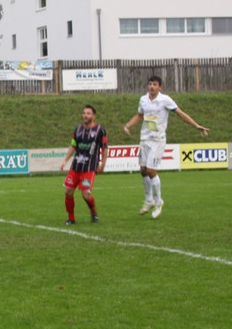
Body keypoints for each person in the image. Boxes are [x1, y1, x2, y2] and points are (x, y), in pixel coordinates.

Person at [123, 75, 208, 218]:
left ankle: (158, 201)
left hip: (158, 140)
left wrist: (196, 125)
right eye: (150, 84)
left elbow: (180, 114)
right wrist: (128, 125)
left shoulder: (165, 100)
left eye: (155, 84)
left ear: (160, 87)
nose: (152, 86)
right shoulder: (143, 100)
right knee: (143, 170)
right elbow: (140, 115)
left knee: (151, 170)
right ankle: (149, 200)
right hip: (144, 139)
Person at [59, 104, 108, 225]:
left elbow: (105, 148)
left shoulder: (100, 130)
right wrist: (65, 160)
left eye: (88, 113)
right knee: (68, 192)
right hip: (76, 167)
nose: (85, 115)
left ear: (94, 116)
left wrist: (103, 164)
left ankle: (93, 212)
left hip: (89, 169)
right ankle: (71, 218)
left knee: (86, 195)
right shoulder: (78, 130)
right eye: (84, 113)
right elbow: (73, 145)